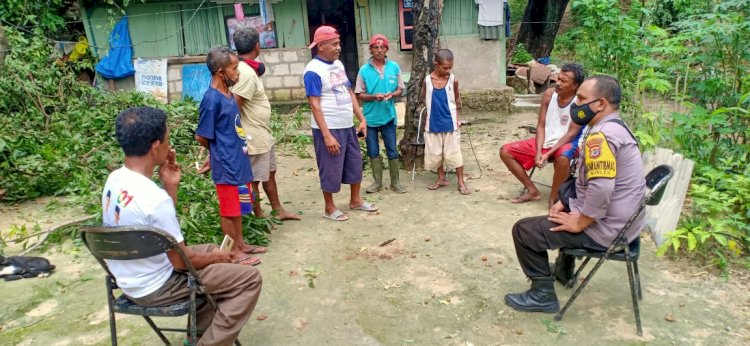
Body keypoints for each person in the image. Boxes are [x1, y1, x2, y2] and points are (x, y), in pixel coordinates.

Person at [102, 106, 262, 346]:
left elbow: (159, 228)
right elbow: (180, 261)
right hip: (156, 286)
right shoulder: (154, 200)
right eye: (167, 139)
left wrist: (170, 188)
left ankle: (194, 336)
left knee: (208, 250)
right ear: (156, 146)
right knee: (249, 278)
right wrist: (220, 258)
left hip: (128, 278)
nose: (169, 145)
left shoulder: (115, 179)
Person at [504, 75, 645, 313]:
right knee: (562, 206)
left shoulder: (601, 137)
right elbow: (590, 182)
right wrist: (568, 202)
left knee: (525, 231)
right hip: (626, 224)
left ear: (600, 104)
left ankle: (542, 296)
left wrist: (581, 220)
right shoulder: (616, 126)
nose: (576, 104)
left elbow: (602, 187)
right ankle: (563, 270)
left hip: (608, 230)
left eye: (581, 98)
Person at [195, 46, 264, 265]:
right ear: (220, 71)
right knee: (228, 209)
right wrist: (215, 154)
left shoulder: (228, 94)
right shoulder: (211, 99)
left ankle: (241, 243)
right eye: (234, 68)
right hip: (226, 163)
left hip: (238, 159)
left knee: (240, 205)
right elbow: (202, 136)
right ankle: (232, 252)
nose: (238, 72)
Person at [303, 25, 378, 221]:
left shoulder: (338, 65)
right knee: (330, 168)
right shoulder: (312, 71)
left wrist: (361, 118)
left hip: (347, 125)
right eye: (334, 44)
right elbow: (314, 105)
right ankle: (329, 208)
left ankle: (355, 200)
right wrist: (326, 135)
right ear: (321, 46)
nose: (338, 48)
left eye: (339, 44)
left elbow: (349, 92)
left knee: (354, 164)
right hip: (329, 127)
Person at [231, 26, 301, 221]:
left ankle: (278, 210)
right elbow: (234, 108)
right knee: (254, 179)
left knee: (269, 173)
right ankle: (258, 217)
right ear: (257, 45)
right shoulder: (244, 73)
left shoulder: (248, 68)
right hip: (252, 135)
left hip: (261, 133)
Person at [500, 63, 586, 207]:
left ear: (575, 85)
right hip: (546, 140)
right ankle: (532, 190)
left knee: (563, 158)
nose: (557, 83)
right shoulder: (549, 94)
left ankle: (554, 197)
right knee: (505, 151)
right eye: (558, 78)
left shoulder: (581, 103)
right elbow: (540, 125)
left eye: (563, 81)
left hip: (568, 143)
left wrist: (547, 154)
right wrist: (539, 151)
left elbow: (570, 135)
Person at [355, 34, 406, 194]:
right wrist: (373, 97)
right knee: (373, 151)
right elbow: (358, 94)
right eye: (375, 47)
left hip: (389, 116)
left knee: (392, 150)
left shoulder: (394, 67)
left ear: (386, 49)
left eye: (382, 47)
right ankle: (377, 182)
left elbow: (400, 88)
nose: (378, 50)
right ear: (370, 50)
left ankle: (395, 182)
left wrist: (393, 94)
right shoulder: (364, 70)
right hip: (370, 119)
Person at [422, 49, 470, 195]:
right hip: (433, 123)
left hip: (450, 124)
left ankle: (461, 181)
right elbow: (424, 98)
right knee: (436, 154)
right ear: (436, 64)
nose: (448, 70)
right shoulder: (427, 81)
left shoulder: (453, 80)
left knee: (455, 153)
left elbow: (456, 99)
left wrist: (456, 115)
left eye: (450, 67)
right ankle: (441, 178)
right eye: (445, 68)